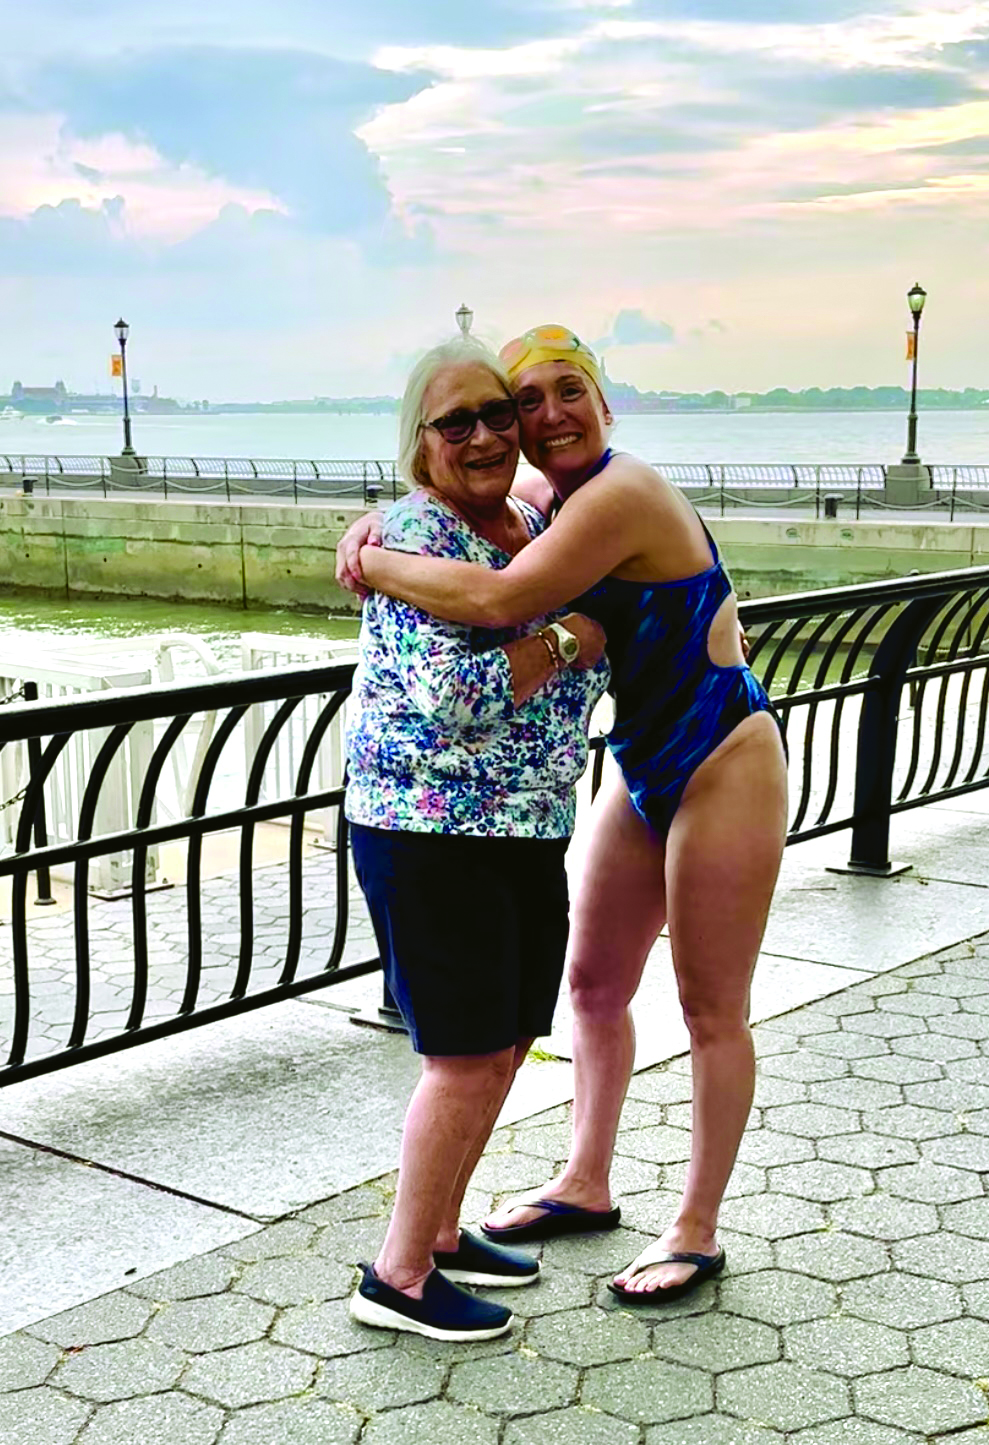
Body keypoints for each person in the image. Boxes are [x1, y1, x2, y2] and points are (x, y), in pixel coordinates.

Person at [338, 323, 787, 1303]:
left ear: (604, 402)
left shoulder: (618, 490)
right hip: (639, 760)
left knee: (713, 1006)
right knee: (589, 987)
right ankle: (585, 1179)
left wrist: (369, 563)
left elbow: (501, 595)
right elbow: (453, 521)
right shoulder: (544, 501)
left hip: (722, 754)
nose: (539, 416)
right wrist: (373, 527)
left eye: (561, 392)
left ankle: (695, 1229)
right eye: (520, 399)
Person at [344, 335, 608, 1342]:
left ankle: (446, 1228)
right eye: (458, 421)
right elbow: (454, 697)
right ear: (422, 442)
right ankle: (399, 1275)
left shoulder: (535, 522)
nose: (488, 434)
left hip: (528, 824)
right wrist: (571, 636)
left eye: (500, 413)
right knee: (462, 1055)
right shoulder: (414, 533)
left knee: (506, 1040)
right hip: (428, 828)